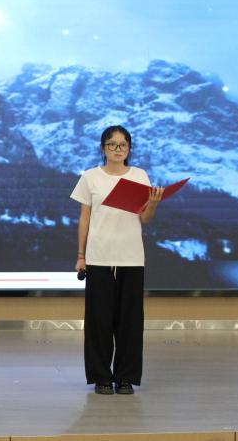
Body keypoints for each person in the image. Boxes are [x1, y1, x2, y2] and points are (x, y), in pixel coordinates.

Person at [71, 125, 163, 396]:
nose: (118, 149)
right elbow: (84, 218)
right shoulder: (90, 177)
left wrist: (153, 203)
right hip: (99, 256)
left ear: (129, 149)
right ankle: (101, 377)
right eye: (112, 144)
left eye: (123, 144)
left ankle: (125, 377)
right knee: (99, 320)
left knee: (130, 321)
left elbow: (144, 219)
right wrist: (80, 255)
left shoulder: (139, 175)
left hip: (131, 256)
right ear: (103, 148)